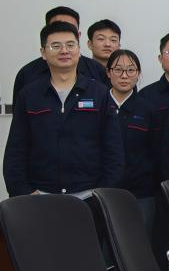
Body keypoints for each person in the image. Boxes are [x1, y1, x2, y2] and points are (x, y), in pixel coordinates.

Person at [4, 21, 123, 196]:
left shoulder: (100, 93)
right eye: (56, 46)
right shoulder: (29, 95)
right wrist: (25, 192)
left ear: (79, 50)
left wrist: (102, 192)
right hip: (40, 196)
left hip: (89, 195)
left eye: (70, 45)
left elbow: (114, 149)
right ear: (43, 53)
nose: (64, 51)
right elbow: (16, 150)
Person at [105, 49, 155, 228]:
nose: (124, 76)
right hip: (102, 190)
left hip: (140, 193)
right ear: (108, 72)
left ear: (138, 74)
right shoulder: (98, 105)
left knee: (138, 239)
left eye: (131, 70)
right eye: (118, 70)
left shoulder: (148, 110)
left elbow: (155, 152)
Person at [12, 6, 108, 99]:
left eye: (70, 28)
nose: (64, 51)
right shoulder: (27, 74)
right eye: (58, 27)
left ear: (78, 35)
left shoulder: (98, 72)